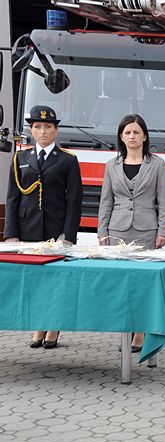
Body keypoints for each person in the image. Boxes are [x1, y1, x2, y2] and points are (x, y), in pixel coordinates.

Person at [5, 105, 82, 349]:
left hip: (54, 230)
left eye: (48, 126)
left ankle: (53, 327)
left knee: (55, 281)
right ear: (31, 129)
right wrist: (11, 234)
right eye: (37, 126)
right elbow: (12, 198)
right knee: (34, 282)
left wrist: (68, 235)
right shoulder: (21, 157)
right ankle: (39, 326)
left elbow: (74, 200)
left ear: (56, 130)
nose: (42, 131)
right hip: (28, 230)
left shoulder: (68, 160)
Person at [98, 114, 165, 351]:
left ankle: (140, 333)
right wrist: (102, 232)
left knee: (142, 285)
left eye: (136, 132)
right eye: (127, 132)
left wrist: (163, 230)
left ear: (145, 136)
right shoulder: (112, 165)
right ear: (121, 136)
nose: (132, 136)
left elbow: (164, 200)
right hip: (117, 230)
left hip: (146, 231)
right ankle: (124, 331)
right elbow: (105, 201)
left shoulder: (157, 164)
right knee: (121, 286)